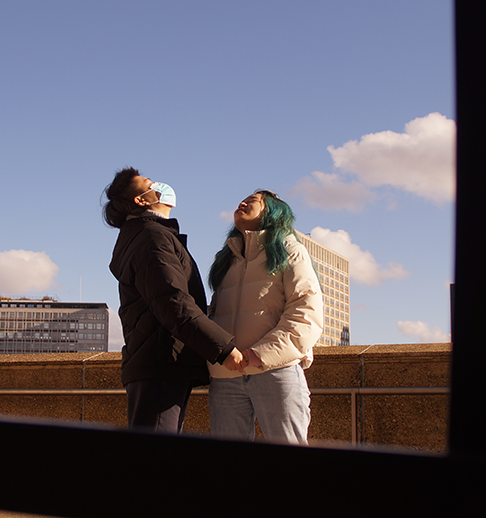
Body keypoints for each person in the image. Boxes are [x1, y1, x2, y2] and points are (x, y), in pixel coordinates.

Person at [104, 167, 246, 433]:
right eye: (150, 183)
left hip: (155, 362)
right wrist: (223, 348)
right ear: (141, 199)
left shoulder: (146, 236)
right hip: (162, 363)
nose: (159, 184)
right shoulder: (152, 238)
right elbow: (173, 302)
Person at [207, 190, 323, 444]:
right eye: (242, 199)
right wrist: (220, 354)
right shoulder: (226, 259)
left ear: (272, 211)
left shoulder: (290, 250)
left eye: (251, 201)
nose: (241, 203)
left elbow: (306, 313)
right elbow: (213, 313)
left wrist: (257, 355)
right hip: (225, 376)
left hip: (276, 371)